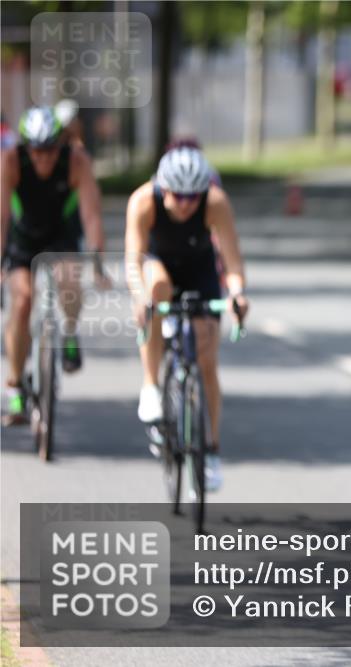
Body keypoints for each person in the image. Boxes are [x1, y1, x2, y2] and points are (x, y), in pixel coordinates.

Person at [125, 146, 249, 492]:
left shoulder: (215, 202)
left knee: (207, 358)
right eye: (178, 196)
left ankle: (211, 449)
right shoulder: (143, 201)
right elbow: (133, 260)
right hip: (156, 265)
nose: (185, 205)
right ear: (163, 189)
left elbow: (233, 261)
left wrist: (237, 294)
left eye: (193, 197)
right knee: (157, 290)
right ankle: (151, 385)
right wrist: (139, 297)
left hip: (199, 270)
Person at [1, 106, 106, 425]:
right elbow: (1, 216)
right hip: (24, 237)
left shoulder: (76, 161)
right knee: (22, 301)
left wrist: (97, 261)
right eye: (36, 150)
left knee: (70, 283)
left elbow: (91, 215)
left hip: (61, 235)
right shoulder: (11, 162)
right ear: (25, 147)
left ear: (60, 144)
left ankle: (70, 332)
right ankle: (15, 383)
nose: (43, 157)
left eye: (50, 149)